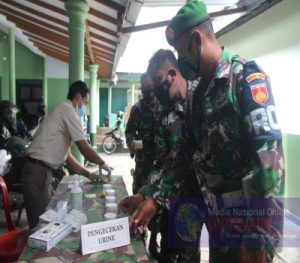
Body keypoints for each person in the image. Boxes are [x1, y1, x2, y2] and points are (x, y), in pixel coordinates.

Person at [130, 1, 285, 262]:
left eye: (181, 52)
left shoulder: (244, 79)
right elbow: (181, 156)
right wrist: (152, 197)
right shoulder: (198, 97)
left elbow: (268, 162)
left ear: (196, 40)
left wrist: (258, 237)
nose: (181, 61)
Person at [120, 49, 205, 262]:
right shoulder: (164, 112)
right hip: (168, 196)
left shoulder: (201, 100)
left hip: (194, 197)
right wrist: (147, 194)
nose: (155, 90)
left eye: (157, 82)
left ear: (172, 73)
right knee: (167, 250)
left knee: (187, 253)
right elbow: (167, 158)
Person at [21, 80, 112, 229]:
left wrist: (89, 174)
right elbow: (85, 149)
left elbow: (68, 157)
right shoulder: (68, 110)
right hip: (37, 172)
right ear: (77, 97)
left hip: (40, 171)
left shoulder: (63, 111)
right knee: (41, 227)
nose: (85, 108)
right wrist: (103, 163)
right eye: (85, 102)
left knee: (48, 220)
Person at [124, 73, 162, 259]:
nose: (146, 92)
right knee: (139, 204)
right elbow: (129, 132)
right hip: (142, 167)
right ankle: (141, 242)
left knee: (157, 206)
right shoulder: (137, 109)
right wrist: (134, 144)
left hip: (160, 165)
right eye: (143, 88)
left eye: (149, 88)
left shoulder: (163, 106)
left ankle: (155, 239)